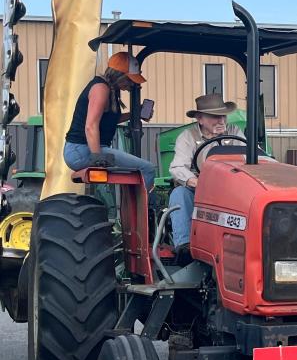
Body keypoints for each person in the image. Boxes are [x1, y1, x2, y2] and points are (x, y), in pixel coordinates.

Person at [63, 51, 156, 189]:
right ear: (120, 76)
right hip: (82, 150)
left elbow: (109, 120)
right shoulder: (101, 88)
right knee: (147, 169)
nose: (131, 84)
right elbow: (91, 125)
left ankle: (133, 206)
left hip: (83, 149)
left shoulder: (110, 89)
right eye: (130, 79)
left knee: (136, 170)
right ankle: (143, 210)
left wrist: (135, 114)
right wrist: (97, 159)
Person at [168, 93, 244, 257]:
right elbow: (177, 166)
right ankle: (184, 245)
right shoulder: (188, 137)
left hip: (230, 187)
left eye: (222, 116)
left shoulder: (235, 132)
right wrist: (196, 182)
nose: (221, 121)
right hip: (199, 188)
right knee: (179, 194)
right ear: (200, 119)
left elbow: (250, 158)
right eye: (214, 117)